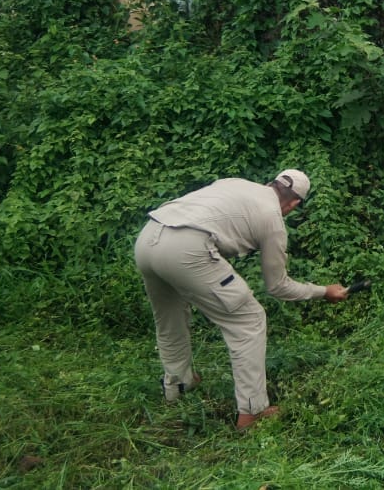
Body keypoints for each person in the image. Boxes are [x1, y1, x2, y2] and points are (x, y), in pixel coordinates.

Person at [134, 169, 351, 430]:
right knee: (249, 320)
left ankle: (177, 385)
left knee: (170, 319)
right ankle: (253, 410)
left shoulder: (235, 183)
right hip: (187, 249)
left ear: (271, 183)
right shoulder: (272, 218)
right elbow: (278, 286)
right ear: (294, 203)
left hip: (148, 237)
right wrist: (323, 291)